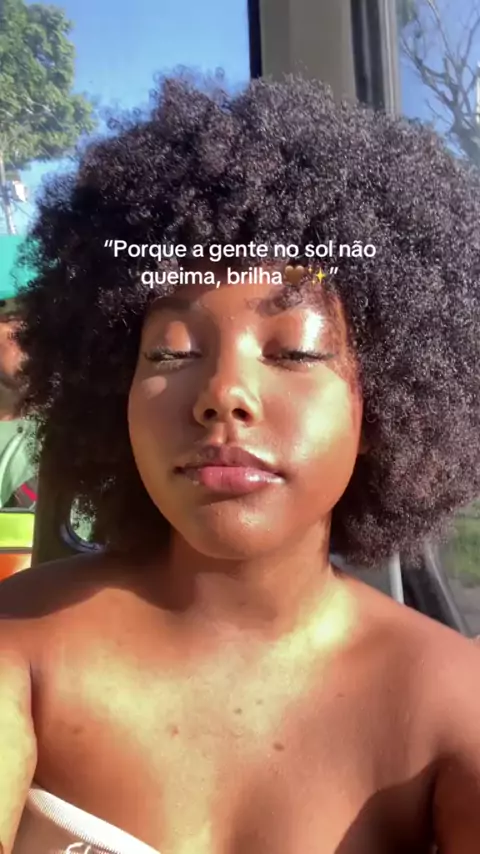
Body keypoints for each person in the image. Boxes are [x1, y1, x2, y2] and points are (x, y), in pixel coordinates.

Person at [1, 73, 480, 854]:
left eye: (293, 352)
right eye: (171, 352)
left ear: (384, 402)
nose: (224, 394)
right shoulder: (18, 646)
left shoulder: (454, 704)